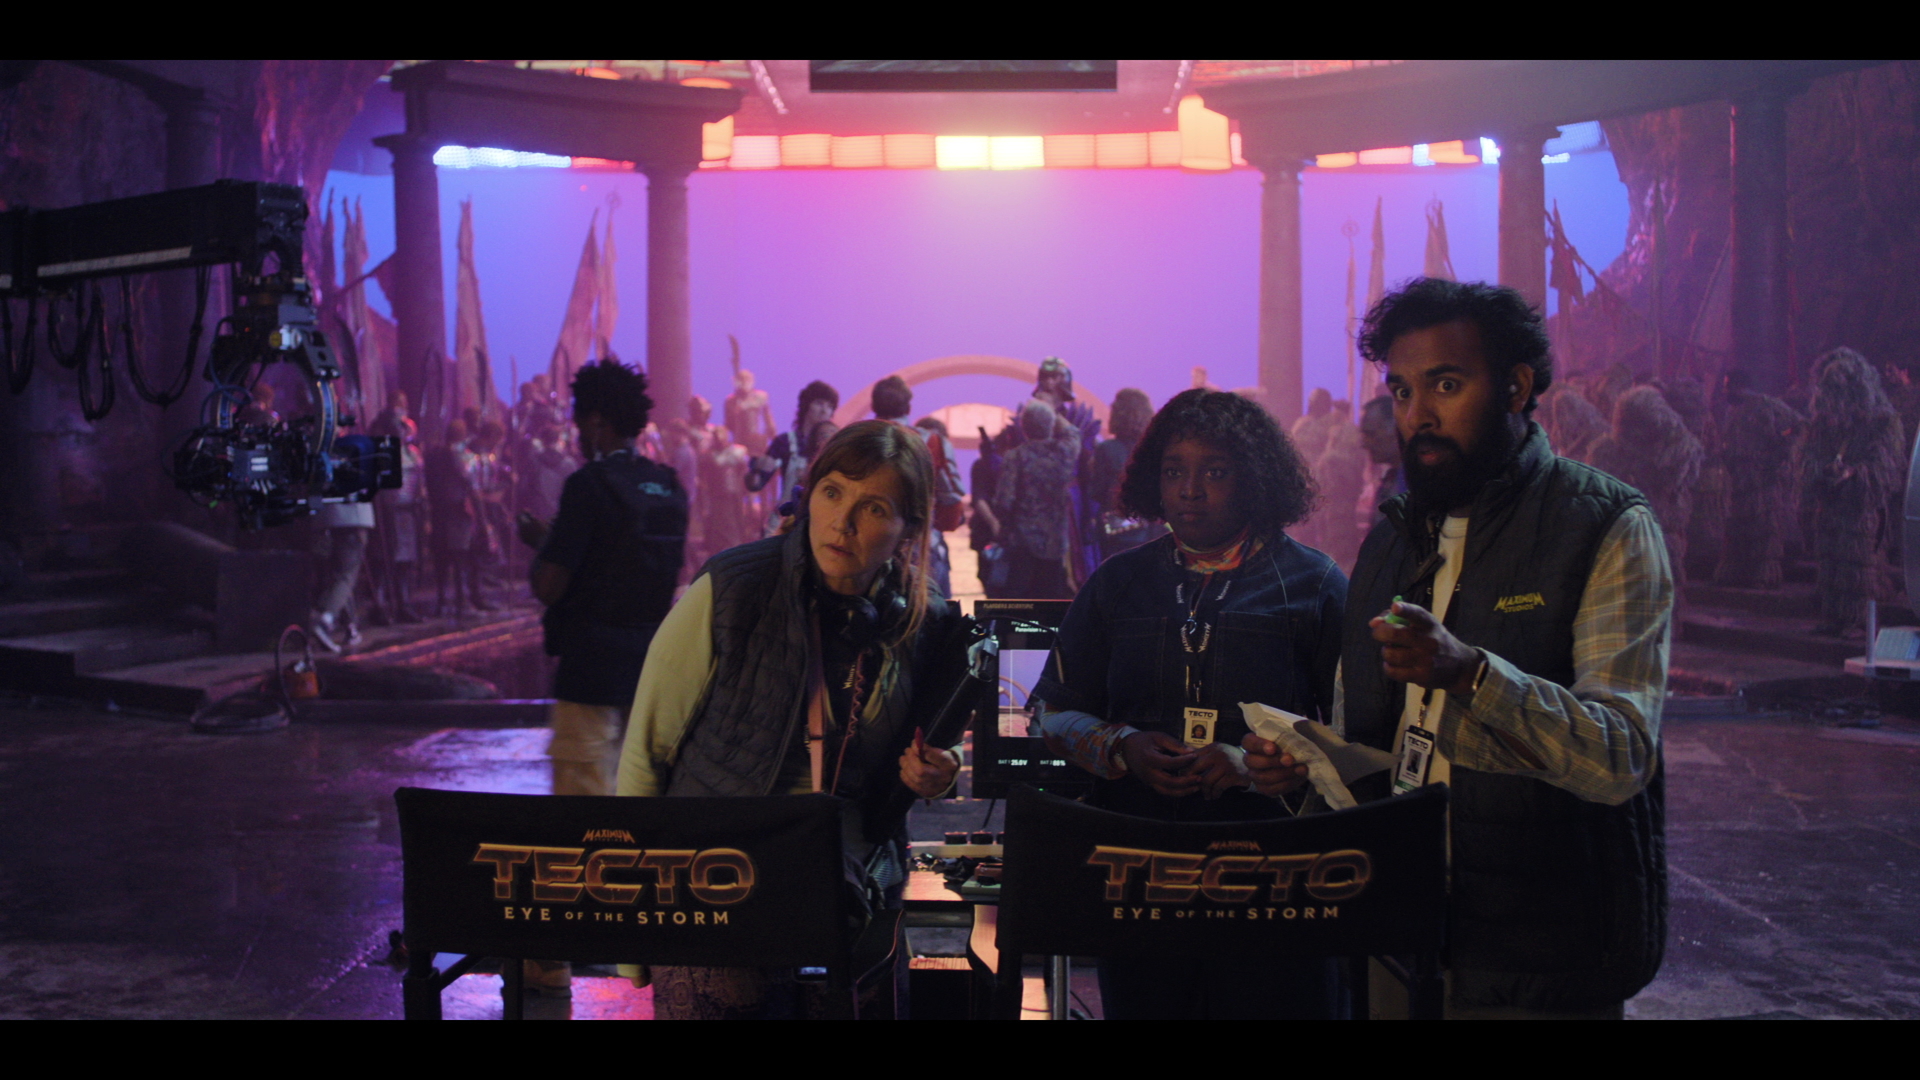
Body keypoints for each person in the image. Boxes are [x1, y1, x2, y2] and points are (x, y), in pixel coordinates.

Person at [1249, 278, 1670, 1019]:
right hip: (1393, 935)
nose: (1419, 416)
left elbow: (1619, 756)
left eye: (1446, 384)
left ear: (1516, 387)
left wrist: (1473, 676)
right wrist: (1301, 774)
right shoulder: (1389, 540)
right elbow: (1368, 748)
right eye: (1403, 392)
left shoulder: (1603, 526)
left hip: (1537, 958)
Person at [616, 420, 962, 1019]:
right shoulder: (731, 589)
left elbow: (910, 760)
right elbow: (646, 754)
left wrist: (940, 771)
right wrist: (638, 935)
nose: (842, 522)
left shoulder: (920, 623)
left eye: (873, 507)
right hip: (716, 889)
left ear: (909, 530)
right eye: (832, 492)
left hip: (848, 894)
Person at [1032, 387, 1344, 1020]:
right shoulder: (1117, 583)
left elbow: (1357, 735)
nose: (1190, 490)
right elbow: (1049, 713)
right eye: (1174, 471)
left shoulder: (1315, 584)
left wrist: (1255, 765)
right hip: (1141, 880)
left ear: (1255, 479)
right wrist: (1121, 747)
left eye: (1215, 472)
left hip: (1276, 884)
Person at [513, 358, 687, 997]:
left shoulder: (587, 486)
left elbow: (553, 582)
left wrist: (542, 545)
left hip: (589, 673)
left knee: (580, 820)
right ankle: (643, 954)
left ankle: (550, 964)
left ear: (594, 419)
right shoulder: (669, 486)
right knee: (639, 814)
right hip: (649, 676)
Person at [1797, 348, 1907, 638]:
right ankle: (1834, 616)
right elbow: (1809, 454)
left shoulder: (1882, 421)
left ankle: (1859, 621)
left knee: (1859, 566)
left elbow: (1887, 464)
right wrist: (1820, 472)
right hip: (1831, 506)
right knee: (1831, 563)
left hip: (1860, 510)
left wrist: (1855, 474)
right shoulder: (1825, 422)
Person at [994, 400, 1082, 599]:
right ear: (1051, 426)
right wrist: (1053, 408)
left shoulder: (1015, 457)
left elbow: (1004, 501)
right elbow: (1074, 433)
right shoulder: (1064, 452)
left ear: (1023, 427)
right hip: (1056, 541)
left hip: (1021, 542)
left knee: (1017, 598)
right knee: (1050, 598)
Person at [748, 380, 839, 535]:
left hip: (821, 524)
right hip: (785, 521)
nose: (825, 411)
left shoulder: (836, 446)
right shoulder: (785, 442)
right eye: (819, 403)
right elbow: (756, 484)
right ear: (806, 405)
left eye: (830, 407)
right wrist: (756, 470)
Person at [1088, 387, 1158, 563]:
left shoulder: (1106, 449)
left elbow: (1096, 491)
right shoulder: (1155, 450)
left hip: (1116, 531)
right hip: (1151, 531)